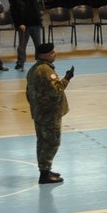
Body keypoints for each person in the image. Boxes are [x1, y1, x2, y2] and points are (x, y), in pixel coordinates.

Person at [25, 42, 73, 185]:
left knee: (42, 142)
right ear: (45, 55)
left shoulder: (33, 69)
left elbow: (28, 93)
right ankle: (44, 174)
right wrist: (67, 78)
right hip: (49, 113)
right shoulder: (46, 71)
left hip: (40, 112)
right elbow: (56, 90)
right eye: (52, 52)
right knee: (52, 142)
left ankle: (45, 170)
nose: (55, 53)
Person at [8, 0, 45, 70]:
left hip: (36, 25)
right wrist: (19, 24)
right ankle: (20, 63)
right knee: (22, 46)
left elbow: (41, 7)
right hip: (24, 26)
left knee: (39, 45)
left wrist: (40, 17)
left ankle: (40, 61)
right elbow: (13, 12)